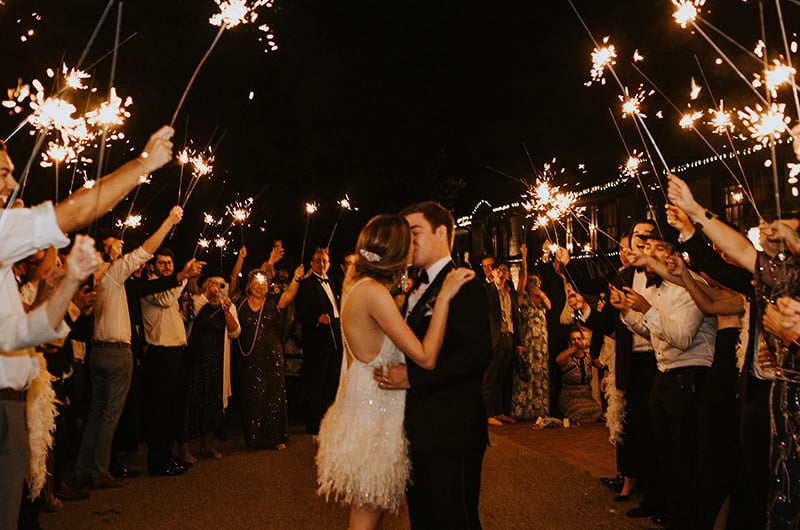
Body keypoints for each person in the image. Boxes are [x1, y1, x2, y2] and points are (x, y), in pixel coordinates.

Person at [0, 126, 173, 527]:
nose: (12, 183)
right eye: (4, 172)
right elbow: (74, 211)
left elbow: (20, 334)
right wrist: (142, 164)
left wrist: (69, 286)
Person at [315, 213, 475, 530]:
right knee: (366, 516)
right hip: (373, 420)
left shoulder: (357, 286)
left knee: (366, 514)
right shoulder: (373, 292)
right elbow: (426, 357)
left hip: (363, 411)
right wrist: (443, 297)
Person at [379, 201, 492, 529]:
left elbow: (476, 356)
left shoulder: (464, 283)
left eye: (414, 232)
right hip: (420, 428)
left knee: (455, 519)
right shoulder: (418, 286)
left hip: (453, 429)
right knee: (424, 518)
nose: (407, 241)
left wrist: (412, 379)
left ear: (441, 232)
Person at [610, 225, 716, 528]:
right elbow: (651, 331)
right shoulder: (660, 289)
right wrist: (629, 313)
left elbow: (682, 337)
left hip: (689, 375)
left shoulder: (688, 286)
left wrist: (646, 309)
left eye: (657, 249)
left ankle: (688, 516)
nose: (649, 256)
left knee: (683, 453)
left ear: (673, 254)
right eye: (647, 249)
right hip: (665, 374)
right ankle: (670, 508)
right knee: (664, 451)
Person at [76, 206, 185, 488]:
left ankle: (84, 468)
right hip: (115, 352)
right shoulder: (111, 273)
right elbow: (146, 251)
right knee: (110, 415)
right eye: (116, 242)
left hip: (98, 351)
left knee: (97, 413)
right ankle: (99, 472)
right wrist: (169, 220)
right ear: (105, 248)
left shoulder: (95, 276)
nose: (122, 244)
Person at [236, 261, 304, 450]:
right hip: (249, 357)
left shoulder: (274, 302)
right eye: (256, 284)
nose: (260, 288)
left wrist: (297, 277)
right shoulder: (240, 303)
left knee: (274, 395)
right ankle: (254, 438)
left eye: (263, 284)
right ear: (249, 285)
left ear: (268, 287)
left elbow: (290, 294)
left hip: (272, 355)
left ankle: (276, 437)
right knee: (252, 395)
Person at [183, 276, 241, 459]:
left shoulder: (228, 306)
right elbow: (187, 315)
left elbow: (235, 332)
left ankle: (207, 445)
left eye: (220, 285)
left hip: (217, 363)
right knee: (190, 405)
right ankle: (184, 448)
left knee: (213, 404)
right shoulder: (198, 302)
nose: (216, 288)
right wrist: (205, 297)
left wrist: (226, 312)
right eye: (212, 284)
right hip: (195, 362)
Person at [295, 247, 343, 434]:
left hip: (336, 337)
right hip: (317, 342)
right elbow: (299, 312)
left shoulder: (334, 282)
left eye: (324, 260)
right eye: (318, 260)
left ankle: (329, 420)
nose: (322, 264)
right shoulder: (306, 284)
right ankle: (313, 424)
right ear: (311, 263)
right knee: (316, 382)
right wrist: (317, 318)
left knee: (333, 380)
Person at [512, 244, 550, 420]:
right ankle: (523, 409)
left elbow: (550, 306)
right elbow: (523, 275)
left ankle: (539, 409)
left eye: (536, 281)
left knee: (540, 373)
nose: (533, 283)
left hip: (541, 340)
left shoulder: (541, 295)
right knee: (527, 371)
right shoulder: (522, 296)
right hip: (528, 338)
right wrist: (524, 257)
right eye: (531, 281)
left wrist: (540, 294)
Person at [484, 259, 522, 425]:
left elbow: (516, 317)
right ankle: (488, 413)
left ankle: (499, 411)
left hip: (509, 337)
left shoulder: (510, 292)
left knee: (503, 376)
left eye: (504, 270)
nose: (501, 272)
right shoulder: (487, 290)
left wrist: (519, 342)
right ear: (493, 272)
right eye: (498, 269)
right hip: (494, 337)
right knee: (490, 376)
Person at [555, 327, 602, 424]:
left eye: (579, 339)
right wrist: (574, 348)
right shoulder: (567, 358)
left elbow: (602, 365)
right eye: (573, 339)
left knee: (598, 411)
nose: (576, 341)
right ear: (569, 341)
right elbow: (558, 360)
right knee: (580, 412)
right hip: (570, 397)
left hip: (586, 396)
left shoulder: (588, 357)